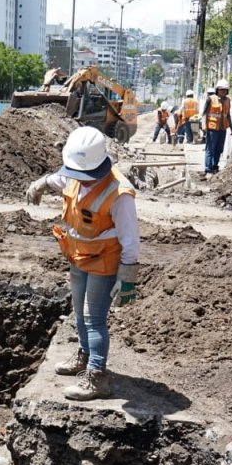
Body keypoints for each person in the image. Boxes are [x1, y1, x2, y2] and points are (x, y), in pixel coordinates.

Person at [25, 127, 141, 401]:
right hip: (77, 254)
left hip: (103, 260)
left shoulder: (119, 193)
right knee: (79, 312)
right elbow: (60, 179)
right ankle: (85, 357)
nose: (80, 180)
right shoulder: (74, 174)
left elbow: (130, 238)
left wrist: (128, 273)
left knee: (94, 318)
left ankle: (97, 377)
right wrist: (40, 183)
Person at [202, 79, 232, 175]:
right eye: (221, 89)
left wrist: (231, 127)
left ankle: (215, 166)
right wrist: (204, 125)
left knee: (219, 149)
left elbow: (228, 115)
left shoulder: (228, 100)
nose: (223, 91)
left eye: (225, 90)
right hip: (212, 128)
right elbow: (204, 113)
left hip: (222, 129)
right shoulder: (211, 99)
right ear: (217, 90)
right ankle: (208, 169)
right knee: (210, 149)